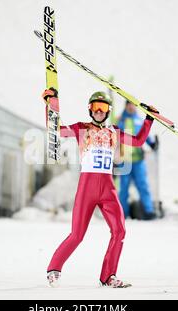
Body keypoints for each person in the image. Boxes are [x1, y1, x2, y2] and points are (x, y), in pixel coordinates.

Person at [42, 88, 158, 288]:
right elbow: (57, 130)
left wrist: (149, 119)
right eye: (95, 107)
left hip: (107, 189)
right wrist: (51, 103)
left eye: (102, 107)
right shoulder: (81, 128)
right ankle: (54, 269)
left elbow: (138, 142)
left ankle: (108, 276)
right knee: (77, 235)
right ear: (90, 110)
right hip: (86, 188)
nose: (99, 111)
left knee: (120, 231)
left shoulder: (115, 131)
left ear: (108, 110)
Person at [117, 100, 158, 220]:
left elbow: (144, 134)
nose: (131, 107)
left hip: (138, 159)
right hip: (124, 160)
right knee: (124, 188)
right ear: (125, 106)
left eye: (133, 105)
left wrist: (152, 143)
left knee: (143, 185)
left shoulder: (139, 120)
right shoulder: (120, 120)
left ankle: (148, 211)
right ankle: (123, 213)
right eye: (129, 105)